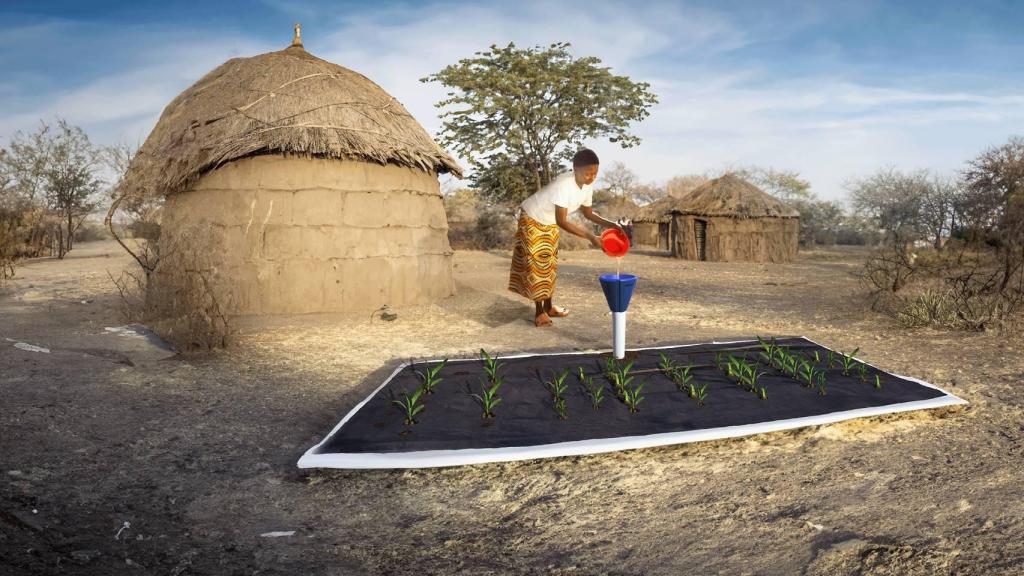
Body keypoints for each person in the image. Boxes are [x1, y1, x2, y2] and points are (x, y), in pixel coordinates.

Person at [508, 149, 622, 327]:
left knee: (550, 263)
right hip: (532, 217)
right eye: (588, 173)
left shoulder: (587, 185)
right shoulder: (564, 185)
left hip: (549, 222)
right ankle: (540, 312)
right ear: (575, 169)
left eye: (595, 174)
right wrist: (591, 237)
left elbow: (588, 213)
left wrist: (612, 225)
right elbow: (562, 221)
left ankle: (549, 306)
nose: (591, 178)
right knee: (538, 264)